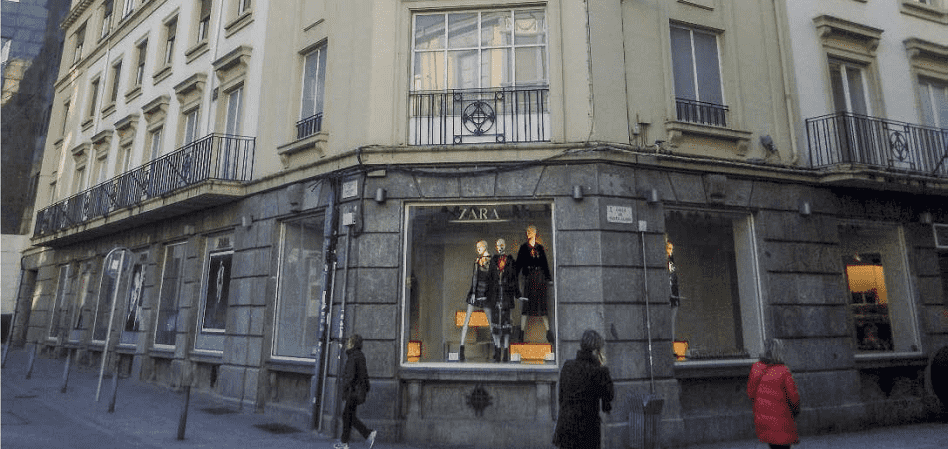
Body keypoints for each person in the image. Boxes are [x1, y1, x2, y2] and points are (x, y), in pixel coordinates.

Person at [553, 329, 614, 449]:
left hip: (566, 426)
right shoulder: (599, 371)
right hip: (587, 430)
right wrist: (603, 367)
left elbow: (561, 397)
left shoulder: (568, 366)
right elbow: (608, 397)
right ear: (596, 351)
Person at [747, 339, 800, 449]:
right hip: (781, 420)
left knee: (773, 445)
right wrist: (796, 410)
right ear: (779, 351)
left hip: (763, 419)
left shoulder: (756, 368)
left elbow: (751, 393)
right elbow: (793, 396)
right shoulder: (783, 371)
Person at [338, 334, 377, 449]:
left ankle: (366, 434)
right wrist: (366, 388)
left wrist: (344, 388)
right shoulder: (360, 355)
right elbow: (364, 375)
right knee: (349, 416)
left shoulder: (353, 356)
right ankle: (346, 441)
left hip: (352, 391)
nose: (347, 344)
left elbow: (350, 376)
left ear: (353, 343)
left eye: (349, 342)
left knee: (347, 415)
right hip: (358, 390)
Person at [487, 238, 523, 362]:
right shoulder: (493, 262)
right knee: (496, 326)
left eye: (502, 244)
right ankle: (497, 351)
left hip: (507, 296)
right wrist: (487, 294)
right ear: (496, 247)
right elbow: (490, 280)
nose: (500, 247)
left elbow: (514, 279)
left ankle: (506, 352)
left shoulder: (510, 261)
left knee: (507, 326)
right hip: (496, 297)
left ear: (505, 245)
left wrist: (517, 293)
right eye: (498, 245)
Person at [516, 225, 553, 343]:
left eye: (530, 231)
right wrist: (514, 277)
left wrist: (548, 278)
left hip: (540, 279)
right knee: (526, 307)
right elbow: (518, 264)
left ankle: (548, 332)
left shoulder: (540, 248)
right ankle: (521, 333)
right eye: (527, 231)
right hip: (529, 279)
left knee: (542, 306)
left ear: (535, 233)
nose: (528, 233)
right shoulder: (523, 248)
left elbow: (544, 264)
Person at [460, 240, 492, 362]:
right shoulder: (477, 261)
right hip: (476, 292)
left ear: (484, 246)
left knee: (490, 321)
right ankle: (461, 348)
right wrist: (473, 292)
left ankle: (498, 350)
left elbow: (492, 279)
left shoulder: (490, 261)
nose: (477, 249)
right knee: (466, 321)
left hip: (485, 293)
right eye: (477, 247)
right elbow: (475, 277)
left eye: (479, 247)